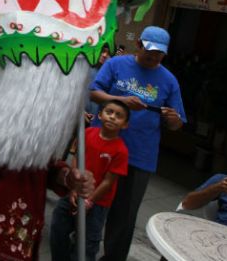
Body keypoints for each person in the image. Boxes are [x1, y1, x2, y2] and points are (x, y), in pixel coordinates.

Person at [89, 26, 186, 261]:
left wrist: (173, 120)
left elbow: (178, 123)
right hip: (102, 146)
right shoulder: (116, 65)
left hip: (139, 156)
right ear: (139, 45)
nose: (154, 57)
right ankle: (79, 249)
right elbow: (94, 92)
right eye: (150, 51)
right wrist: (121, 99)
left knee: (125, 216)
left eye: (159, 54)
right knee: (89, 201)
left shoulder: (169, 81)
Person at [49, 100, 130, 261]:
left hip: (97, 204)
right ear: (100, 115)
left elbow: (109, 182)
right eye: (109, 112)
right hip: (72, 195)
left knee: (86, 244)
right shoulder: (87, 133)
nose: (113, 117)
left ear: (125, 125)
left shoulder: (121, 150)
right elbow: (76, 159)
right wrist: (73, 188)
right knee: (58, 227)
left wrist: (89, 201)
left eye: (119, 116)